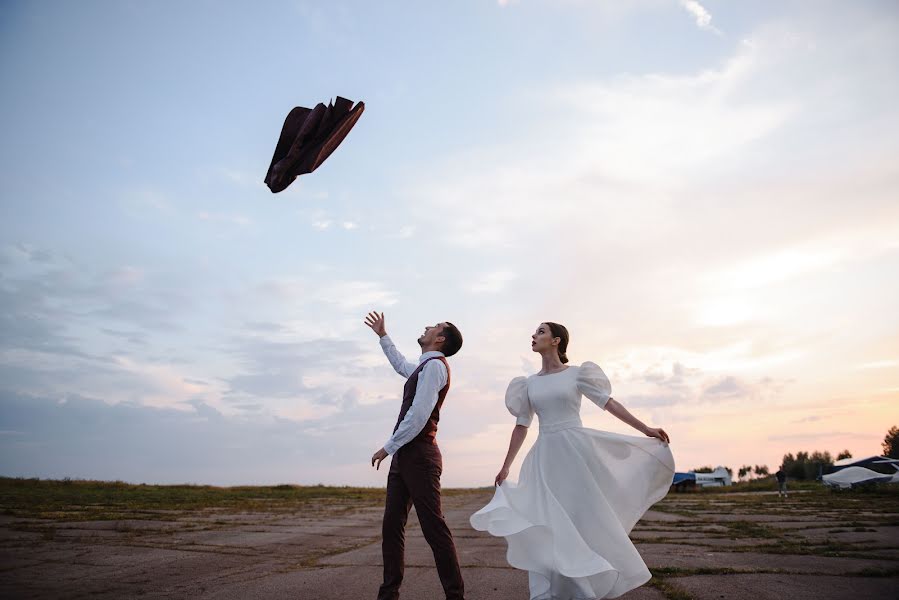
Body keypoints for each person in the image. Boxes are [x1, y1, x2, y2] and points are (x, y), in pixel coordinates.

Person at [470, 322, 675, 599]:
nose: (533, 335)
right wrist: (506, 465)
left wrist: (645, 429)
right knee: (548, 523)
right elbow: (522, 426)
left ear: (556, 341)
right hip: (544, 459)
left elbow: (608, 403)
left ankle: (584, 587)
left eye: (540, 332)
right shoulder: (528, 384)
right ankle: (551, 591)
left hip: (577, 454)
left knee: (580, 519)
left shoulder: (578, 374)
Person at [365, 311, 465, 600]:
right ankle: (388, 594)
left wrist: (389, 446)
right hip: (406, 456)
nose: (427, 326)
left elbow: (419, 414)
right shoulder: (424, 366)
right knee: (392, 526)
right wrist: (384, 336)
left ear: (440, 338)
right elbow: (400, 365)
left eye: (434, 326)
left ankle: (455, 595)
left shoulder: (435, 367)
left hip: (420, 455)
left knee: (433, 527)